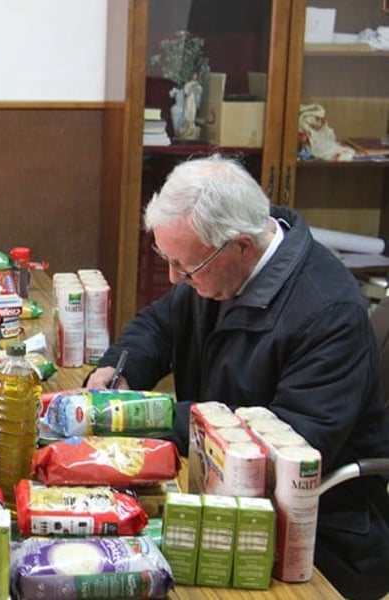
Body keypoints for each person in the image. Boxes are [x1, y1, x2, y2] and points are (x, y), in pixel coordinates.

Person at [85, 155, 389, 600]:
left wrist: (148, 417)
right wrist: (119, 373)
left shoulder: (328, 313)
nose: (174, 278)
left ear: (242, 246)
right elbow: (158, 326)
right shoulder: (218, 270)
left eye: (184, 268)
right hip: (222, 492)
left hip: (314, 531)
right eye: (166, 260)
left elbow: (286, 447)